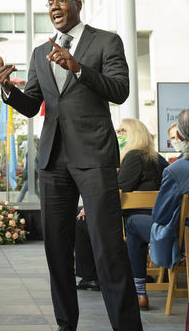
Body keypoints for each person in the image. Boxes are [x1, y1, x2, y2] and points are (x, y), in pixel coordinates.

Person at [0, 0, 142, 331]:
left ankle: (126, 326)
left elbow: (120, 90)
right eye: (49, 3)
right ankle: (65, 325)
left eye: (61, 1)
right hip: (53, 159)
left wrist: (77, 67)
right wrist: (8, 90)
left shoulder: (106, 41)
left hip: (93, 156)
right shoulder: (39, 53)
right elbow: (33, 105)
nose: (54, 7)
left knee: (108, 249)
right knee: (57, 253)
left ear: (78, 4)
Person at [75, 118, 168, 293]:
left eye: (122, 131)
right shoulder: (159, 159)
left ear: (135, 134)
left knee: (82, 221)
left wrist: (90, 206)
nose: (118, 135)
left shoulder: (134, 156)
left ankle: (91, 276)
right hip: (155, 216)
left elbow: (117, 190)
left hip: (133, 218)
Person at [125, 109, 189, 311]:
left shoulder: (177, 170)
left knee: (133, 223)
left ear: (180, 136)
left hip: (184, 241)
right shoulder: (164, 164)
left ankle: (140, 292)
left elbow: (160, 216)